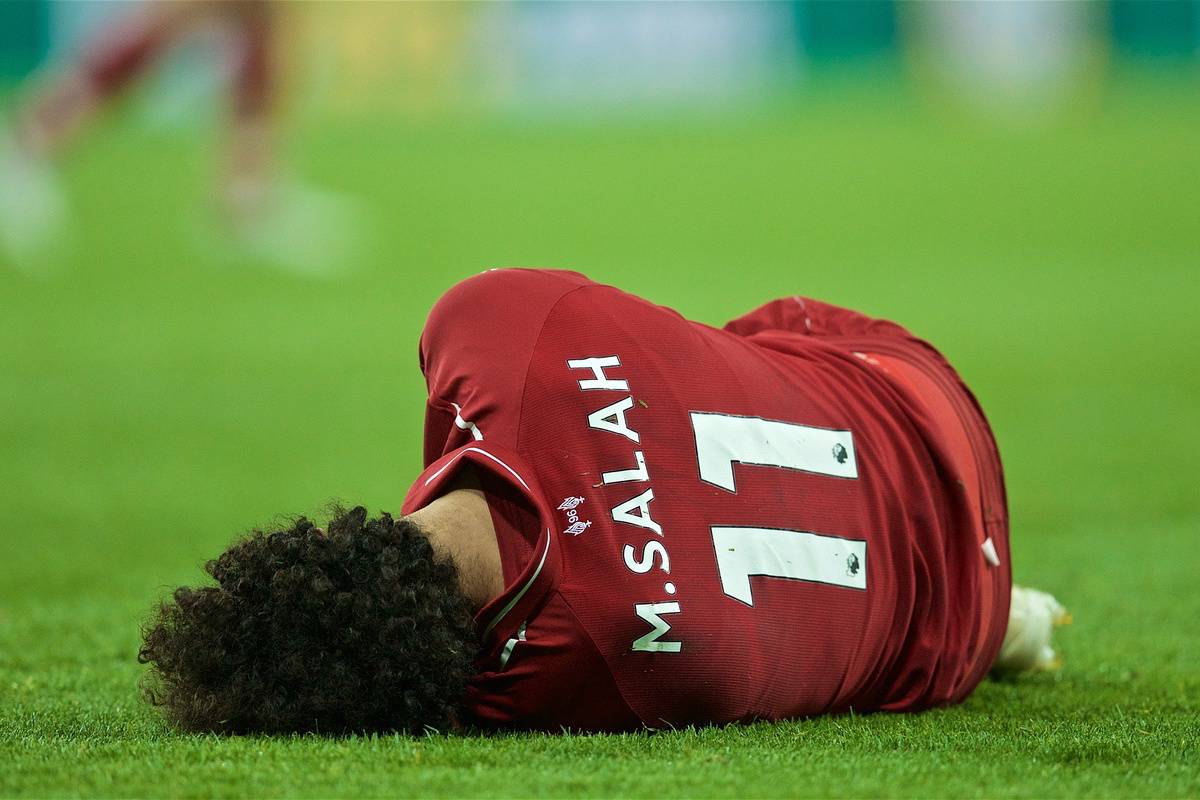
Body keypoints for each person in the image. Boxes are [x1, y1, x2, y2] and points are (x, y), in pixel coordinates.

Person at [138, 268, 1068, 734]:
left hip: (952, 635)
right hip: (914, 393)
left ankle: (1013, 619)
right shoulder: (483, 323)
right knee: (714, 351)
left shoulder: (551, 677)